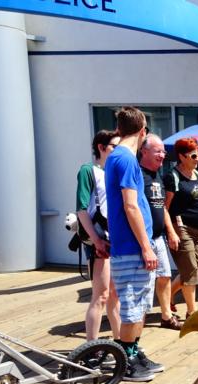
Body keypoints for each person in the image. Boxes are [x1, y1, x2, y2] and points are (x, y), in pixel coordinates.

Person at [105, 107, 163, 382]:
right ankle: (125, 363)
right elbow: (131, 206)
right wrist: (146, 247)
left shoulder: (118, 157)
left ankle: (133, 352)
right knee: (132, 308)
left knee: (139, 306)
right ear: (143, 131)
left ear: (119, 129)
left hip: (132, 246)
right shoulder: (126, 159)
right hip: (132, 248)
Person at [76, 130, 121, 341]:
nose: (118, 151)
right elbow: (81, 209)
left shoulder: (113, 172)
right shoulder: (88, 171)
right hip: (99, 240)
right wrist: (96, 240)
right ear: (101, 148)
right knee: (100, 295)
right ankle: (91, 347)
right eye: (114, 147)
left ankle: (122, 343)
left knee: (114, 295)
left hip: (115, 239)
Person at [138, 133, 182, 330]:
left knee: (164, 276)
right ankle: (137, 324)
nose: (163, 155)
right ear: (144, 151)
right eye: (158, 151)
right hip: (143, 240)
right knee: (145, 283)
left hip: (158, 237)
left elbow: (162, 206)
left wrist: (171, 231)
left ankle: (166, 316)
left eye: (164, 151)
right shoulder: (137, 174)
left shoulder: (158, 176)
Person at [165, 137, 198, 318]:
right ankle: (192, 312)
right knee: (190, 271)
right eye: (193, 156)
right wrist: (170, 231)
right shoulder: (172, 176)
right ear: (182, 156)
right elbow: (165, 207)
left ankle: (168, 294)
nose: (197, 159)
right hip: (181, 227)